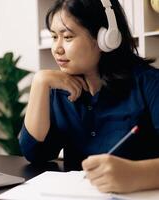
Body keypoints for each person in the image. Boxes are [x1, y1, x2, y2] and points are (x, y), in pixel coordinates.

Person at [19, 0, 159, 194]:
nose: (57, 49)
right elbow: (35, 154)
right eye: (54, 37)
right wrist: (40, 82)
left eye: (67, 37)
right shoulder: (58, 87)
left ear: (106, 38)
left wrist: (134, 174)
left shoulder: (150, 83)